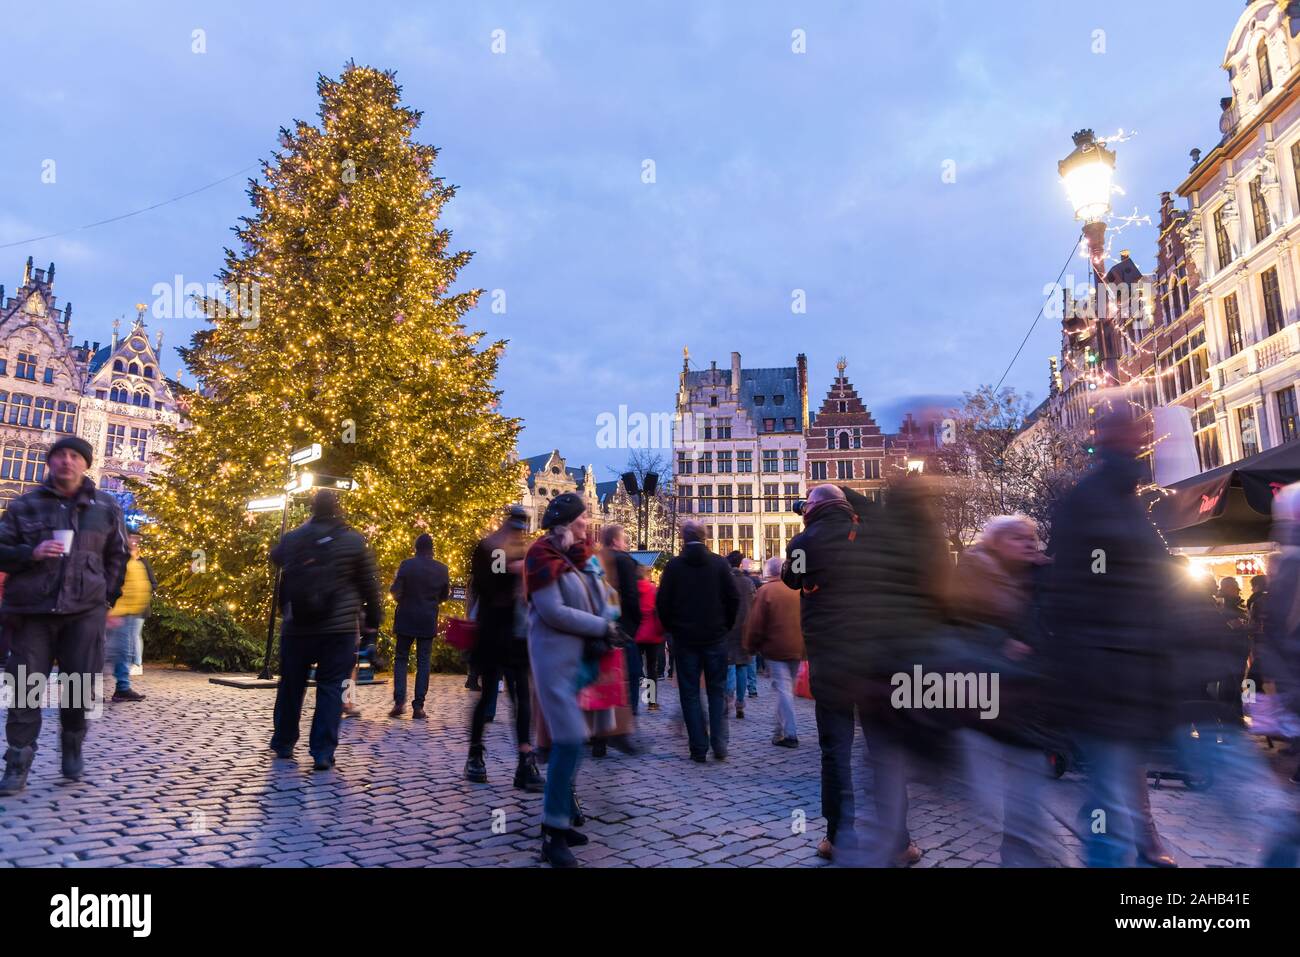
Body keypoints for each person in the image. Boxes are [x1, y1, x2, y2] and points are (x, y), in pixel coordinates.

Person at [1044, 410, 1178, 867]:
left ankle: (1139, 838)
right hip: (1105, 673)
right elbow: (1077, 589)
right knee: (1110, 795)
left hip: (1129, 671)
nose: (1143, 439)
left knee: (1114, 787)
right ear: (1107, 438)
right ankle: (1125, 845)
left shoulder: (1127, 498)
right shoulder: (1092, 501)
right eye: (1133, 432)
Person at [0, 436, 129, 795]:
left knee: (78, 687)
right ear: (50, 462)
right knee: (25, 688)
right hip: (32, 612)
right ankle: (18, 761)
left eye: (75, 456)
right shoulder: (24, 505)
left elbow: (117, 557)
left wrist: (106, 599)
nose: (67, 462)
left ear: (85, 464)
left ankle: (72, 742)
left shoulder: (106, 507)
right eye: (60, 455)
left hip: (83, 613)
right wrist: (32, 552)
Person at [946, 515, 1052, 867]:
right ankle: (1023, 845)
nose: (1028, 543)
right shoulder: (972, 572)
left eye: (1031, 537)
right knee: (991, 786)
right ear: (996, 541)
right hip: (987, 694)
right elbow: (957, 623)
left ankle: (1022, 848)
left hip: (1027, 694)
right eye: (1018, 537)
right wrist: (1002, 642)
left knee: (1028, 772)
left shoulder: (1037, 576)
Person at [526, 492, 617, 867]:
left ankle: (561, 819)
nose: (587, 527)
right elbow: (553, 611)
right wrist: (601, 626)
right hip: (552, 661)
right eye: (582, 522)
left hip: (575, 660)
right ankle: (552, 834)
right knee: (568, 741)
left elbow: (598, 597)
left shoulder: (574, 558)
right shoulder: (541, 556)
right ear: (564, 524)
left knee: (573, 742)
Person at [268, 489, 382, 772]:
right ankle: (322, 751)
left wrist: (307, 531)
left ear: (312, 509)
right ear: (338, 509)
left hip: (298, 627)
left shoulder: (295, 538)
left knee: (291, 685)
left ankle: (284, 742)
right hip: (338, 629)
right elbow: (370, 584)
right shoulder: (354, 541)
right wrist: (374, 620)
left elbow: (276, 556)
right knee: (331, 688)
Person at [465, 506, 543, 792]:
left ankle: (525, 759)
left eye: (522, 529)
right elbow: (485, 588)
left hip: (518, 635)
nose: (518, 534)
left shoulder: (524, 551)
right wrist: (511, 572)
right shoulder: (487, 547)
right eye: (515, 528)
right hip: (492, 632)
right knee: (486, 696)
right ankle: (475, 753)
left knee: (522, 698)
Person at [656, 520, 738, 762]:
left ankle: (698, 747)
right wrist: (725, 626)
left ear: (683, 537)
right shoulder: (719, 564)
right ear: (705, 537)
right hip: (715, 637)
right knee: (716, 691)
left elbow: (663, 604)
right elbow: (733, 599)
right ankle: (720, 744)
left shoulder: (674, 566)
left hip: (685, 639)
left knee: (690, 694)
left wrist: (672, 630)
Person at [743, 556, 804, 746]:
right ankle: (779, 730)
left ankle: (791, 733)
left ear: (769, 571)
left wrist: (751, 646)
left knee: (784, 689)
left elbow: (756, 624)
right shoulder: (796, 591)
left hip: (776, 648)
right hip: (797, 646)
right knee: (786, 688)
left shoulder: (766, 591)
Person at [389, 533, 450, 720]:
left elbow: (395, 591)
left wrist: (402, 599)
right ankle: (419, 706)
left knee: (401, 658)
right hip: (427, 618)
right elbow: (444, 595)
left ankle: (399, 702)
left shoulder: (407, 565)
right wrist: (431, 603)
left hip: (406, 616)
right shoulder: (442, 569)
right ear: (432, 549)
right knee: (423, 661)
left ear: (416, 548)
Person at [600, 524, 642, 751]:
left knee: (603, 676)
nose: (626, 543)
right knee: (631, 675)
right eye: (624, 539)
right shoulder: (625, 561)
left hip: (600, 626)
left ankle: (599, 737)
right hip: (623, 627)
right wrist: (634, 624)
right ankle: (624, 727)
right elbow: (631, 596)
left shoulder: (597, 559)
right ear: (616, 541)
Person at [105, 532, 155, 703]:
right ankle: (83, 686)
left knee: (120, 652)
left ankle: (122, 687)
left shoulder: (134, 558)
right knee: (111, 652)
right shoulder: (118, 557)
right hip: (118, 611)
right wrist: (108, 609)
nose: (135, 541)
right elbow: (111, 582)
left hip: (131, 612)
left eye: (137, 539)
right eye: (131, 538)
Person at [723, 551, 756, 720]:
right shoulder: (748, 582)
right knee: (742, 667)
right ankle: (740, 704)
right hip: (745, 630)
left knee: (729, 667)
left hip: (728, 630)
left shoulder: (725, 582)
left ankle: (728, 701)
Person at [635, 565, 665, 709]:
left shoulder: (633, 590)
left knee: (634, 667)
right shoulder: (653, 590)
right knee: (652, 668)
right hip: (652, 634)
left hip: (636, 634)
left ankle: (633, 702)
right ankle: (651, 701)